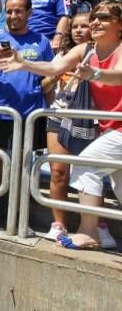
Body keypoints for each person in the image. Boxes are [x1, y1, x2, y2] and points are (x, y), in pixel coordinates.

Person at [0, 0, 122, 249]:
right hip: (111, 129)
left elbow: (119, 76)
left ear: (119, 25)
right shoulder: (86, 49)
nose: (96, 22)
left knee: (85, 168)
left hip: (119, 130)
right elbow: (54, 67)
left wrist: (95, 74)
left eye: (104, 18)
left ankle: (89, 233)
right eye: (94, 17)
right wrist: (24, 64)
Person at [41, 12, 117, 246]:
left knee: (93, 170)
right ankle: (61, 224)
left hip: (94, 121)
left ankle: (97, 226)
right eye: (75, 26)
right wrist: (57, 76)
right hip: (63, 115)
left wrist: (92, 73)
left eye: (85, 25)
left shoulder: (108, 52)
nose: (79, 30)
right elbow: (44, 82)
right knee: (60, 172)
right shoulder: (66, 55)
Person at [0, 0, 54, 227]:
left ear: (29, 13)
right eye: (9, 11)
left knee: (24, 166)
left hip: (30, 115)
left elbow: (49, 73)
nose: (13, 15)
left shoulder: (42, 41)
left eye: (18, 11)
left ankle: (20, 215)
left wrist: (45, 90)